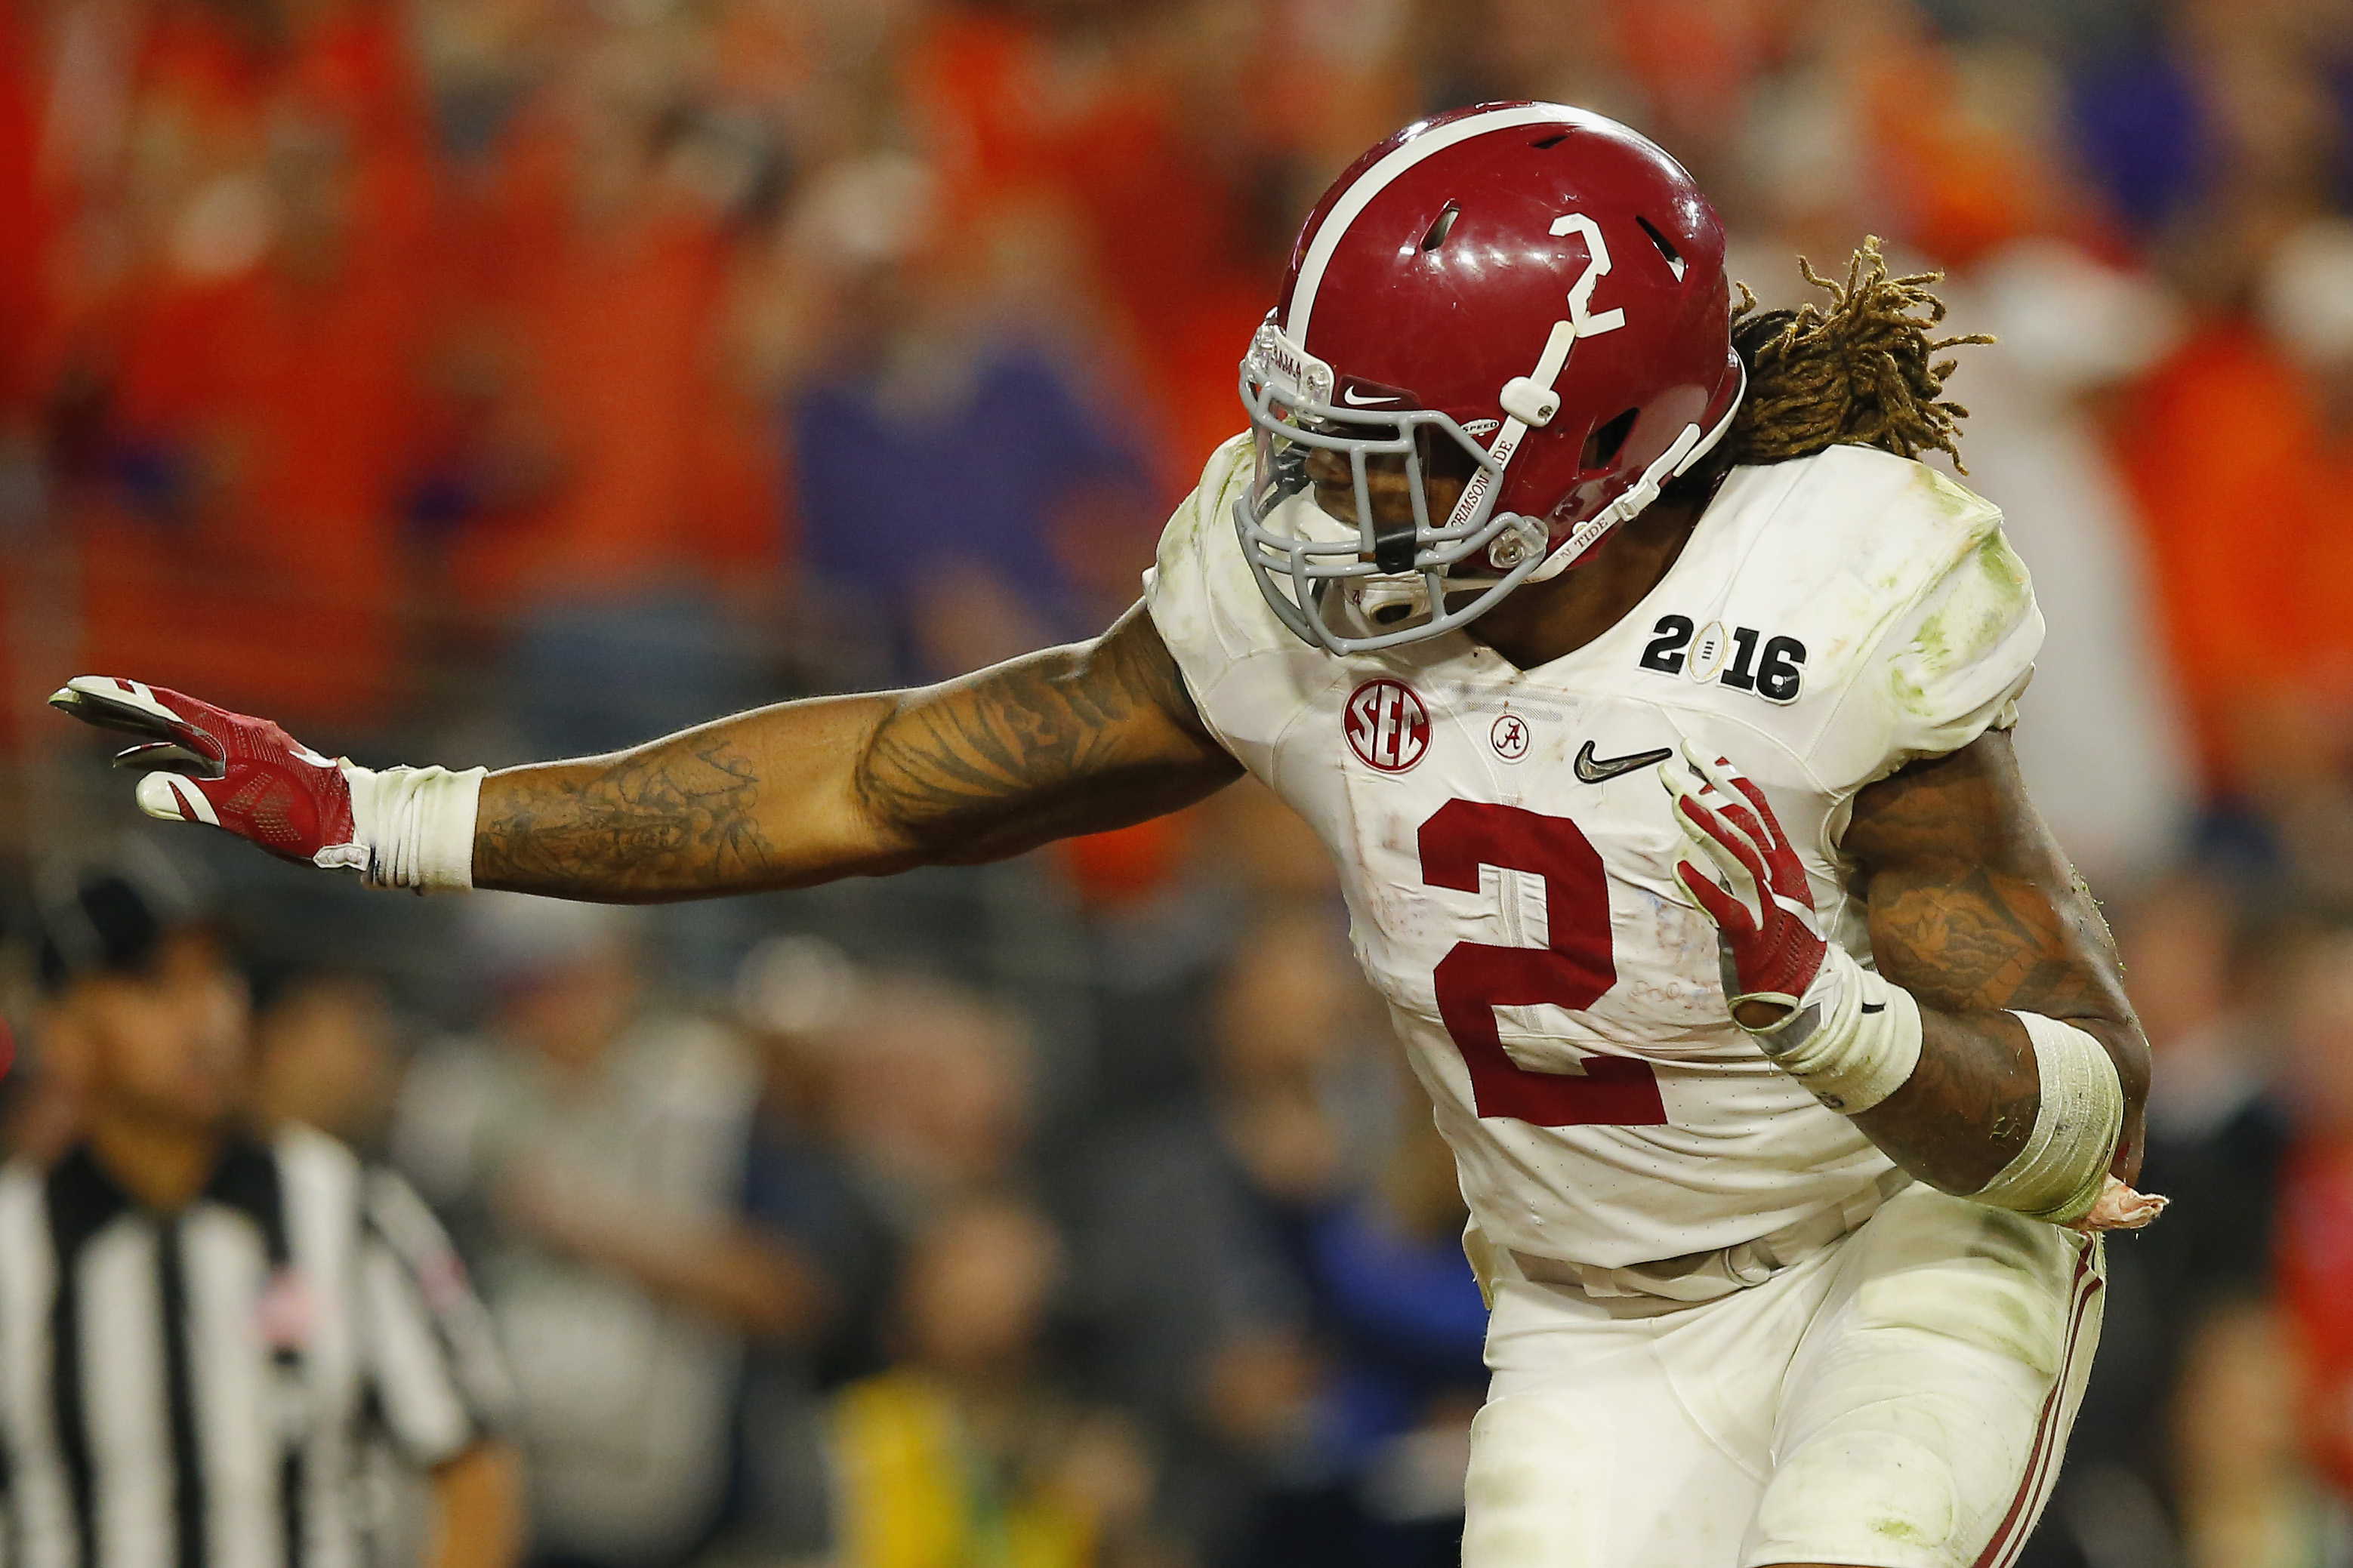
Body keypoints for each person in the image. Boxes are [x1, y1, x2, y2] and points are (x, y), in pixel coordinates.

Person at [54, 103, 2160, 1568]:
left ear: (1597, 450)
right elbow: (878, 776)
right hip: (1594, 1307)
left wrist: (1842, 1034)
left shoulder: (1833, 594)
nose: (1327, 517)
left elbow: (2080, 1127)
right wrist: (392, 809)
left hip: (1889, 1234)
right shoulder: (1293, 609)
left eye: (1399, 465)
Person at [2, 864, 521, 1568]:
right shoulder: (13, 1243)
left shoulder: (351, 1209)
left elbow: (473, 1471)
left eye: (217, 976)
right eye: (156, 983)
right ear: (62, 1029)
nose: (205, 1015)